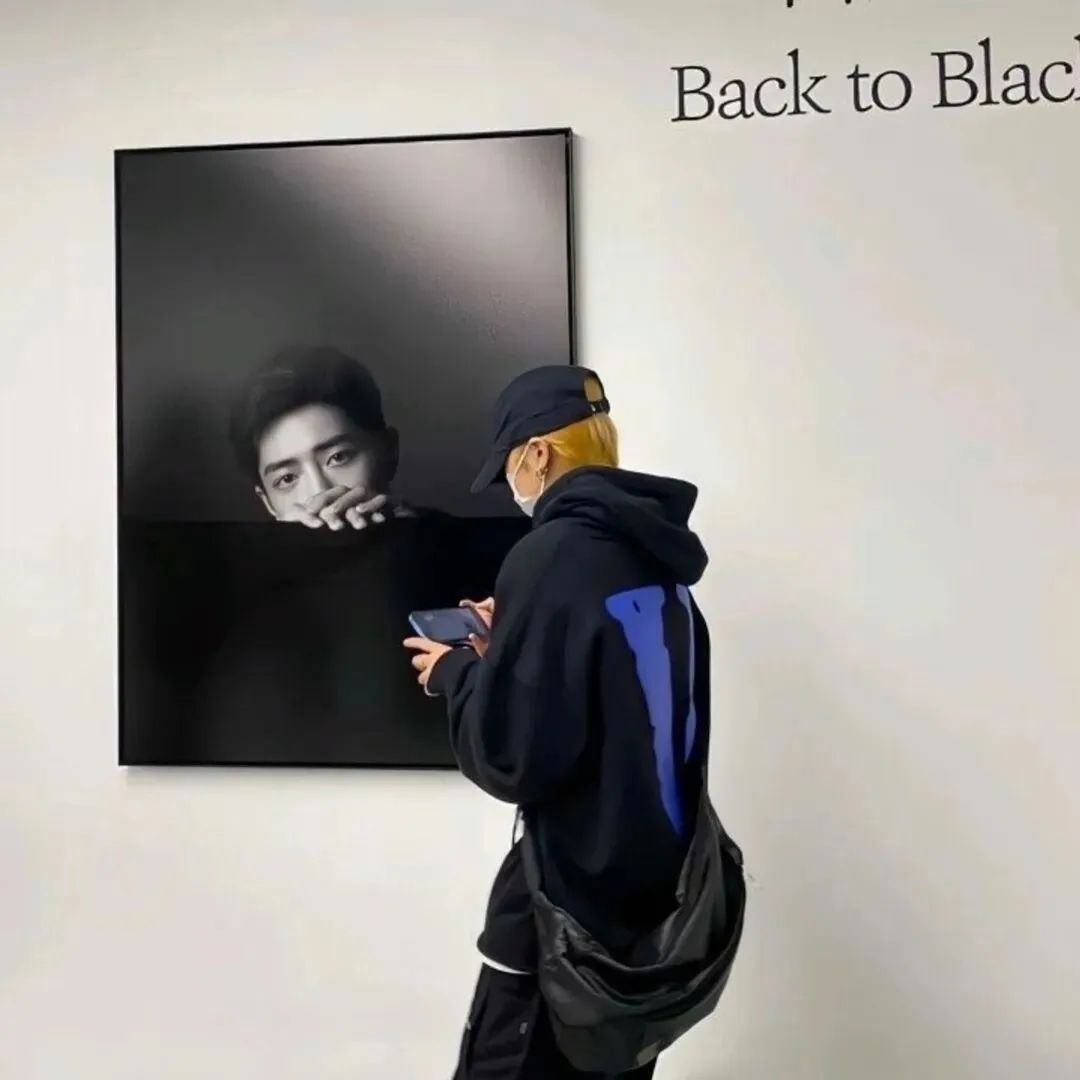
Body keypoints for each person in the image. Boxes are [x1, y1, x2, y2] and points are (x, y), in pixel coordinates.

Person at [404, 365, 717, 1078]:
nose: (513, 488)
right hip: (650, 919)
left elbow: (514, 756)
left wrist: (456, 673)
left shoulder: (549, 555)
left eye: (510, 468)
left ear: (539, 454)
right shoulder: (656, 553)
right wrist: (512, 649)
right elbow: (612, 700)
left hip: (563, 922)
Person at [172, 344, 525, 765]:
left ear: (388, 450)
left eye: (338, 457)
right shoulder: (236, 599)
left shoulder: (488, 554)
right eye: (287, 479)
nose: (320, 491)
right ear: (266, 502)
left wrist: (414, 541)